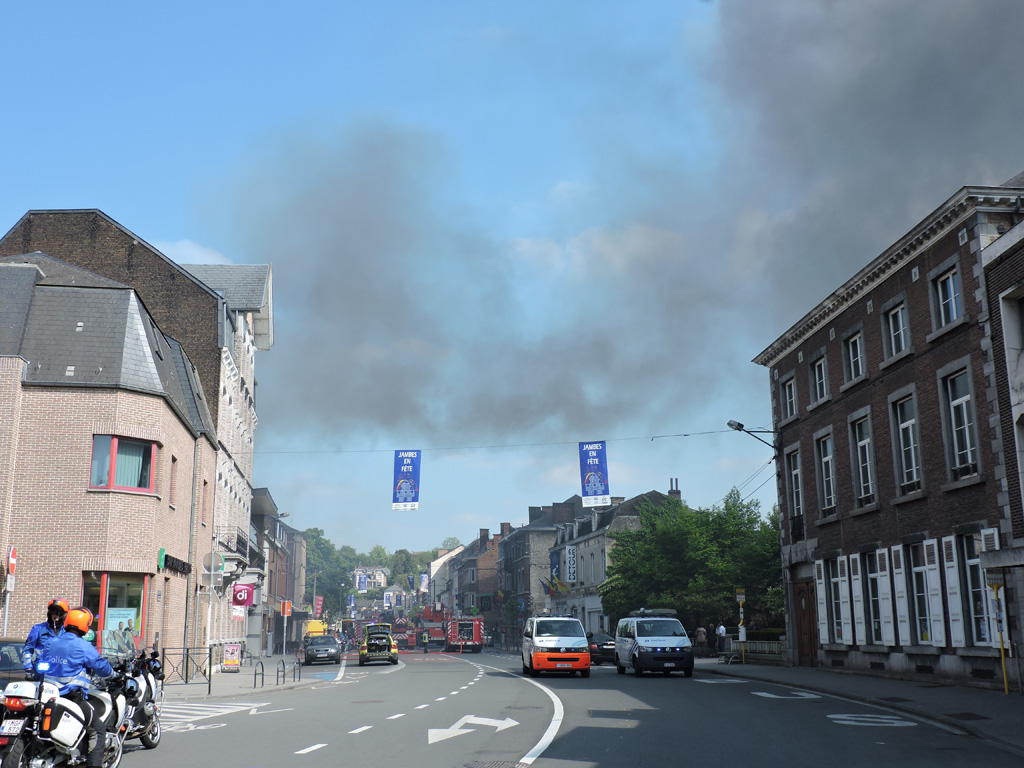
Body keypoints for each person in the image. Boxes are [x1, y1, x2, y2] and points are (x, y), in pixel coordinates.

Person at [39, 608, 114, 768]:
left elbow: (39, 661)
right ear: (85, 626)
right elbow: (101, 667)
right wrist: (113, 674)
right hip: (70, 697)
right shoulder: (83, 646)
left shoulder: (51, 641)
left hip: (45, 695)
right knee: (98, 729)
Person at [22, 598, 69, 675]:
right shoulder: (38, 629)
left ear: (64, 614)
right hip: (42, 670)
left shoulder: (68, 632)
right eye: (53, 612)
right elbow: (27, 649)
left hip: (62, 671)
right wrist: (29, 668)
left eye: (58, 612)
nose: (55, 615)